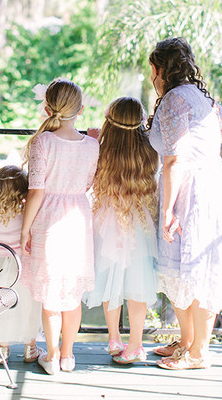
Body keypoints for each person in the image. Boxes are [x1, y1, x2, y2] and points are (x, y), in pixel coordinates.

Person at [147, 37, 222, 370]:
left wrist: (168, 210)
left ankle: (199, 352)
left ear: (160, 69)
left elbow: (174, 160)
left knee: (196, 268)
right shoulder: (201, 97)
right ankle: (187, 343)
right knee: (184, 268)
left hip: (191, 191)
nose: (152, 76)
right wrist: (205, 146)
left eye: (153, 69)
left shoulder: (174, 99)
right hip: (209, 183)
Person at [20, 78, 99, 374]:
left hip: (49, 220)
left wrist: (25, 229)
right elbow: (88, 183)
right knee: (72, 293)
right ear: (80, 109)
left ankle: (51, 356)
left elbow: (36, 190)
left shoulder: (42, 142)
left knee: (51, 292)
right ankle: (68, 356)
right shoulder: (92, 145)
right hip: (77, 218)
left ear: (47, 109)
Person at [83, 97, 159, 364]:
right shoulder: (149, 150)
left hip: (107, 224)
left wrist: (92, 141)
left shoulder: (101, 150)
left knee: (108, 279)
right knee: (137, 284)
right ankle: (135, 342)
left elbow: (89, 181)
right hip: (138, 222)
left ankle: (114, 338)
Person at [0, 165, 43, 363]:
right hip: (22, 266)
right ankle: (30, 348)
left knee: (0, 307)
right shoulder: (26, 214)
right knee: (30, 307)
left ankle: (3, 350)